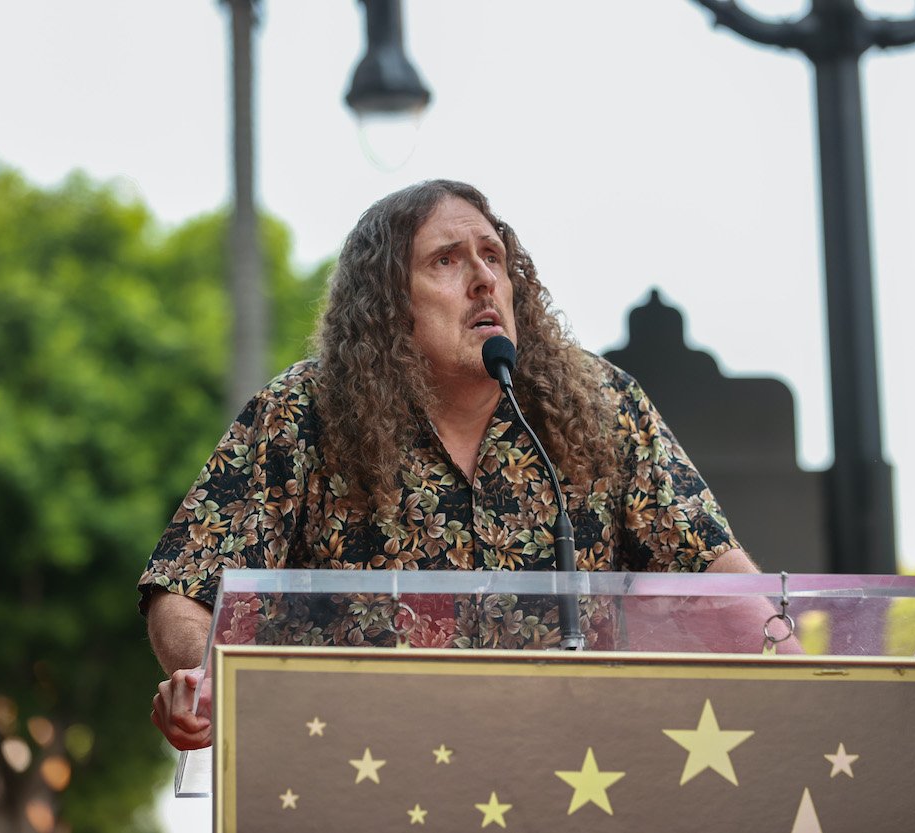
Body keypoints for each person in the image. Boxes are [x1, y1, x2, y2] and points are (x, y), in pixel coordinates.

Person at [140, 180, 759, 749]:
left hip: (576, 772)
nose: (484, 279)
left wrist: (801, 665)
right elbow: (187, 586)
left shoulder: (602, 405)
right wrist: (204, 679)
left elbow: (712, 567)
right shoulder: (301, 412)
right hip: (357, 774)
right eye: (447, 260)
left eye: (493, 257)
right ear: (387, 303)